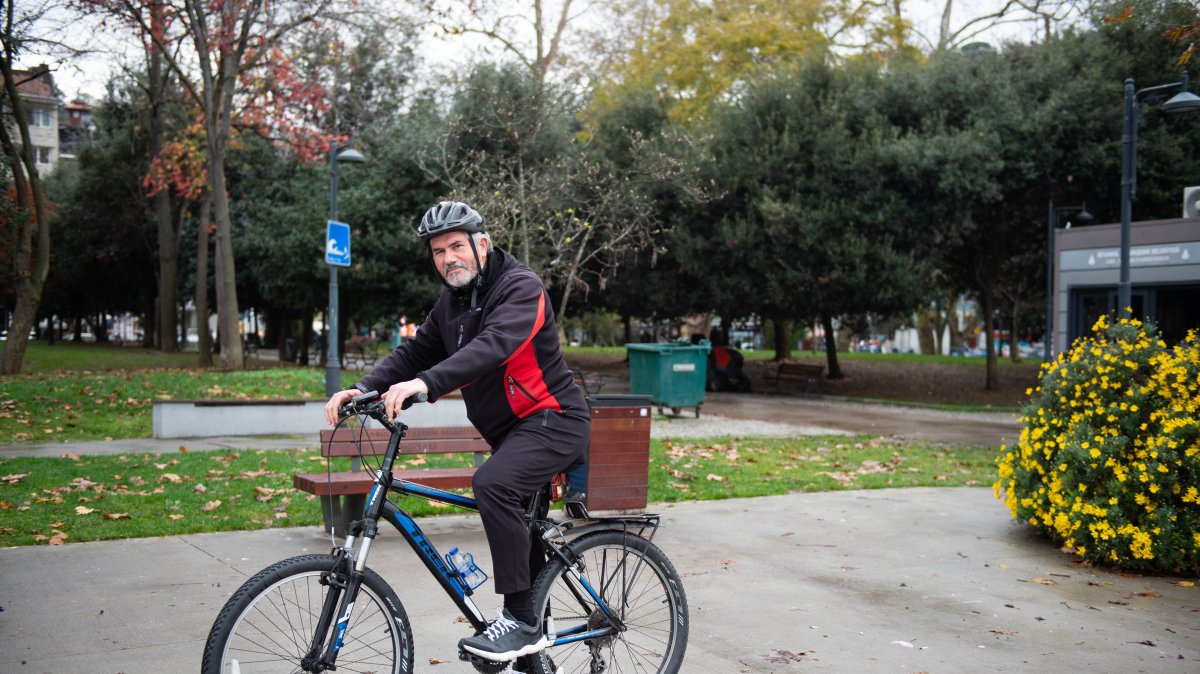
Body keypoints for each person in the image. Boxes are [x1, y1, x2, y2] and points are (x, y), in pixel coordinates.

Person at [323, 200, 589, 664]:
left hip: (555, 420)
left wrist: (427, 384)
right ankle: (531, 651)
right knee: (520, 529)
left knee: (493, 483)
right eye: (438, 251)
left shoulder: (520, 288)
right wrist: (363, 388)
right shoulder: (452, 304)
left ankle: (521, 623)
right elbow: (414, 352)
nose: (448, 258)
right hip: (513, 435)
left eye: (457, 246)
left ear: (482, 245)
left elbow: (494, 345)